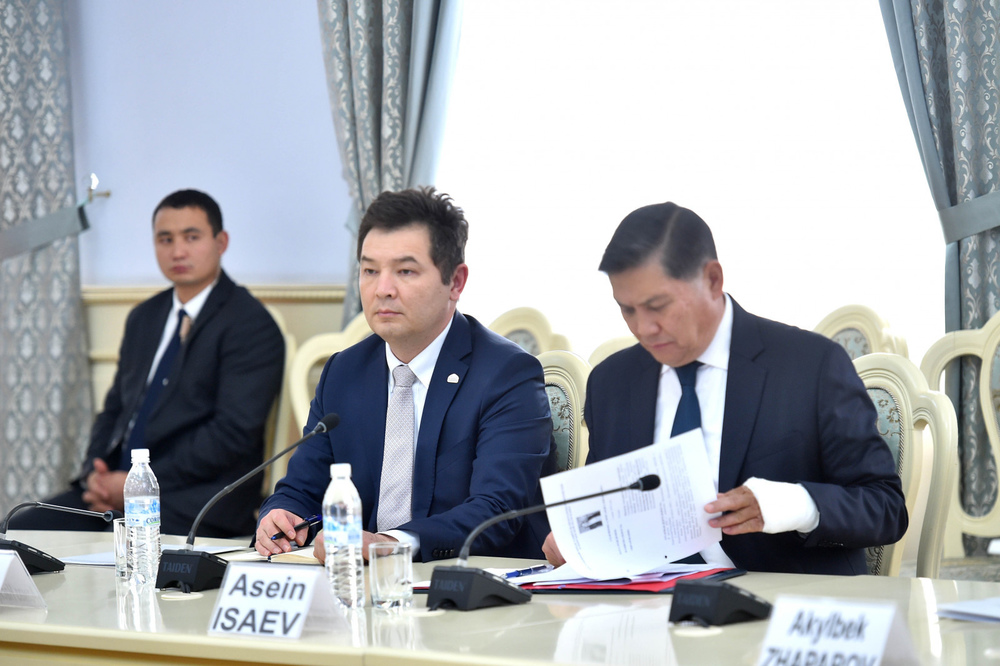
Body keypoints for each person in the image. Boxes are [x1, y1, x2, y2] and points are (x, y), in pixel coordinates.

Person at [542, 202, 907, 575]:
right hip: (644, 601)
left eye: (658, 306)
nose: (643, 328)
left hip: (781, 597)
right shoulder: (611, 381)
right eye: (627, 310)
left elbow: (885, 508)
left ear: (713, 280)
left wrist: (794, 504)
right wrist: (578, 540)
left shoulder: (811, 365)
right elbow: (607, 507)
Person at [256, 187, 554, 562]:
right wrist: (281, 515)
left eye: (405, 271)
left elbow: (496, 510)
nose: (382, 290)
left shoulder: (507, 375)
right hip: (359, 583)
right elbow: (302, 488)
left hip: (470, 584)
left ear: (455, 282)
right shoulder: (343, 372)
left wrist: (390, 544)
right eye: (369, 271)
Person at [11, 189, 285, 537]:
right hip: (117, 489)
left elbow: (231, 436)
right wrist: (95, 473)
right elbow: (114, 409)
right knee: (17, 530)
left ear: (221, 242)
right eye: (165, 239)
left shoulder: (250, 324)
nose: (178, 251)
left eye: (191, 237)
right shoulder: (145, 317)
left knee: (117, 542)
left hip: (196, 497)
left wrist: (136, 484)